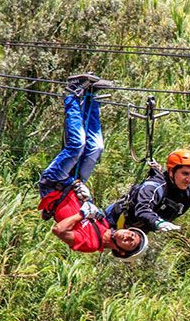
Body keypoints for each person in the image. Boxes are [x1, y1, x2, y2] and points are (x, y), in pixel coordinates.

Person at [38, 73, 148, 259]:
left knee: (76, 146)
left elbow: (58, 230)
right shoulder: (105, 223)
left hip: (54, 185)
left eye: (130, 242)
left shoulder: (91, 243)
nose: (128, 235)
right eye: (132, 234)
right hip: (73, 184)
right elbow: (122, 204)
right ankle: (92, 98)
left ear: (120, 251)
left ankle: (72, 93)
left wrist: (81, 214)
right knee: (97, 147)